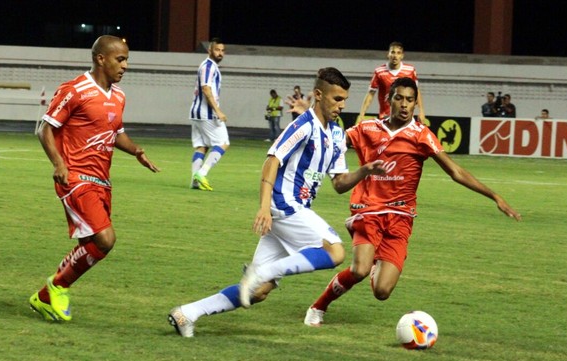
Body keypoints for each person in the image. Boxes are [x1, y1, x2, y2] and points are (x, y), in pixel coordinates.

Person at [167, 67, 386, 337]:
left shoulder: (337, 135)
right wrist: (264, 207)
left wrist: (365, 171)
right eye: (336, 99)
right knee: (335, 252)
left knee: (258, 292)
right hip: (284, 204)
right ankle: (260, 271)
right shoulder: (303, 125)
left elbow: (339, 183)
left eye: (344, 100)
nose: (341, 106)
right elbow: (271, 161)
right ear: (319, 95)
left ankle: (186, 313)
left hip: (294, 210)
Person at [302, 77, 521, 327]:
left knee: (382, 292)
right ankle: (318, 307)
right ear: (388, 100)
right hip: (368, 210)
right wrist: (309, 125)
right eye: (399, 98)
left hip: (401, 217)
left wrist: (494, 196)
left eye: (410, 100)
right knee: (359, 270)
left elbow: (455, 171)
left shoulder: (421, 136)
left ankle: (376, 261)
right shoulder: (367, 129)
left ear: (416, 104)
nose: (404, 105)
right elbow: (330, 141)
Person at [29, 35, 160, 322]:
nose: (125, 66)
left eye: (126, 60)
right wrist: (59, 163)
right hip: (75, 177)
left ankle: (44, 296)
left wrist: (136, 150)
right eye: (120, 59)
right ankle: (56, 287)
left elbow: (115, 134)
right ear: (101, 58)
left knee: (90, 244)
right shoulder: (75, 90)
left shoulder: (119, 96)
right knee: (105, 239)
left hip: (101, 180)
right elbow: (44, 128)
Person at [189, 37, 229, 191]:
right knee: (223, 142)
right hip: (207, 114)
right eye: (217, 50)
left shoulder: (208, 66)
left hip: (197, 113)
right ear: (209, 50)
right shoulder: (208, 66)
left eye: (222, 50)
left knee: (201, 147)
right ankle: (202, 173)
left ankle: (194, 181)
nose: (220, 53)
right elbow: (206, 89)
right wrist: (218, 111)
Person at [357, 41, 425, 124]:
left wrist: (421, 111)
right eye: (392, 52)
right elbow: (371, 93)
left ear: (402, 56)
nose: (395, 56)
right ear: (388, 54)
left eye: (398, 53)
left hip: (405, 116)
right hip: (386, 116)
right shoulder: (379, 71)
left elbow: (416, 91)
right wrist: (361, 114)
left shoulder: (410, 70)